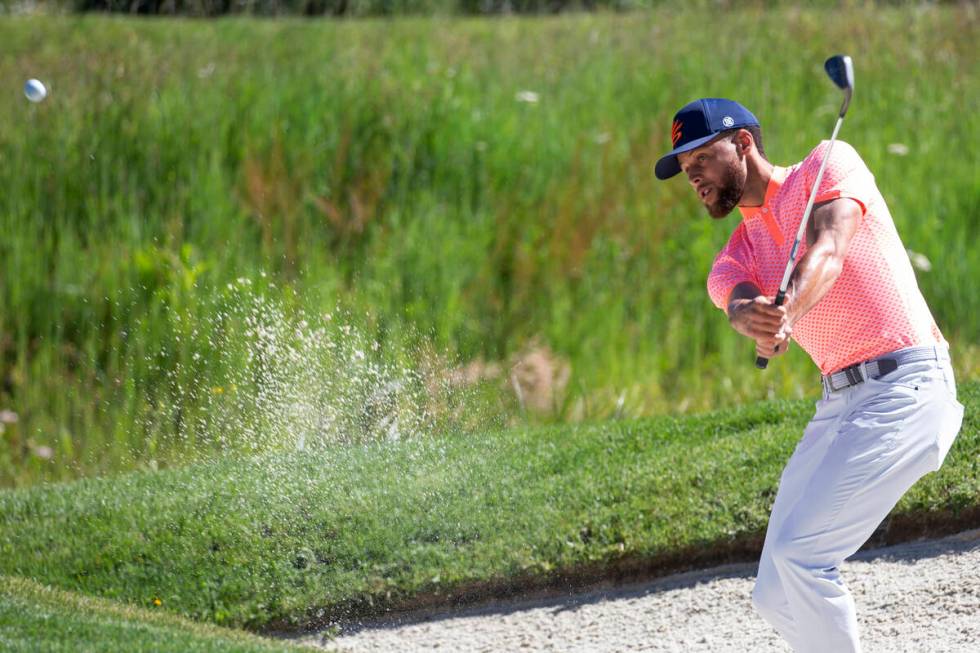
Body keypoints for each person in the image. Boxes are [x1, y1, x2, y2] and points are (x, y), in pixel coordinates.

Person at [654, 98, 964, 652]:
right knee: (773, 591)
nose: (692, 175)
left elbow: (829, 249)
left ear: (743, 144)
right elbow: (737, 300)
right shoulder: (734, 257)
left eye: (701, 157)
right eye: (684, 167)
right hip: (840, 405)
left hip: (909, 388)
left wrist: (789, 310)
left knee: (802, 557)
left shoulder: (829, 163)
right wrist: (756, 318)